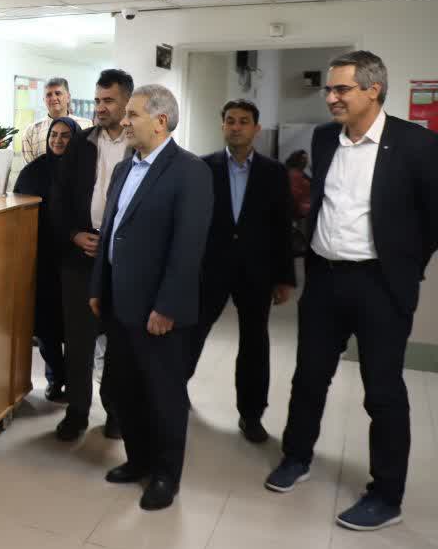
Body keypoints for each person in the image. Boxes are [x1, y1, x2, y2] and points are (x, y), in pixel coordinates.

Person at [266, 51, 438, 532]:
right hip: (324, 278)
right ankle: (296, 457)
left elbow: (432, 219)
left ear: (373, 90)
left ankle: (387, 495)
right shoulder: (325, 139)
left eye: (341, 89)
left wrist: (405, 267)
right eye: (329, 88)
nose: (331, 98)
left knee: (382, 392)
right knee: (309, 377)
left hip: (380, 285)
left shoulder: (417, 145)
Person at [89, 85, 211, 511]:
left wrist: (168, 306)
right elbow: (110, 232)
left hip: (158, 309)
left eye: (133, 115)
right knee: (125, 390)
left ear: (160, 121)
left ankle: (165, 475)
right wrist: (98, 288)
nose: (124, 121)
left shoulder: (190, 171)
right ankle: (138, 460)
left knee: (163, 396)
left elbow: (188, 247)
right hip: (119, 303)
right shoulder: (126, 167)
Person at [188, 100, 295, 443]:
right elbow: (191, 223)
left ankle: (251, 414)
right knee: (192, 332)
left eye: (243, 121)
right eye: (230, 121)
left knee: (254, 342)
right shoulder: (202, 167)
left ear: (256, 129)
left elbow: (282, 226)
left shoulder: (274, 172)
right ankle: (174, 389)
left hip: (255, 271)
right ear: (222, 126)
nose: (236, 127)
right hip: (210, 269)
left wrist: (284, 277)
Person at [49, 69, 133, 441]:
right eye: (98, 100)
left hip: (122, 259)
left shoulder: (139, 143)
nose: (100, 107)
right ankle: (77, 413)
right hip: (81, 255)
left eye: (109, 100)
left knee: (118, 341)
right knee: (79, 341)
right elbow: (60, 198)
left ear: (127, 102)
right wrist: (73, 234)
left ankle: (115, 412)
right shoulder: (81, 143)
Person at [13, 116, 78, 400]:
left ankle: (75, 382)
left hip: (76, 258)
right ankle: (55, 378)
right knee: (46, 324)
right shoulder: (34, 171)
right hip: (43, 259)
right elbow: (19, 211)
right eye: (54, 135)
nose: (58, 140)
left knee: (75, 326)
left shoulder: (86, 170)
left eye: (65, 135)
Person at [21, 78, 93, 164]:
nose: (54, 98)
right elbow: (29, 168)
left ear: (68, 97)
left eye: (58, 93)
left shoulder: (86, 125)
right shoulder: (31, 131)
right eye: (49, 95)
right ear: (44, 100)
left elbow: (91, 161)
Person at [286, 150, 312, 220]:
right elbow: (294, 195)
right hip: (302, 211)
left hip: (305, 208)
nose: (306, 161)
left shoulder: (300, 173)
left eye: (306, 159)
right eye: (303, 159)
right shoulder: (294, 174)